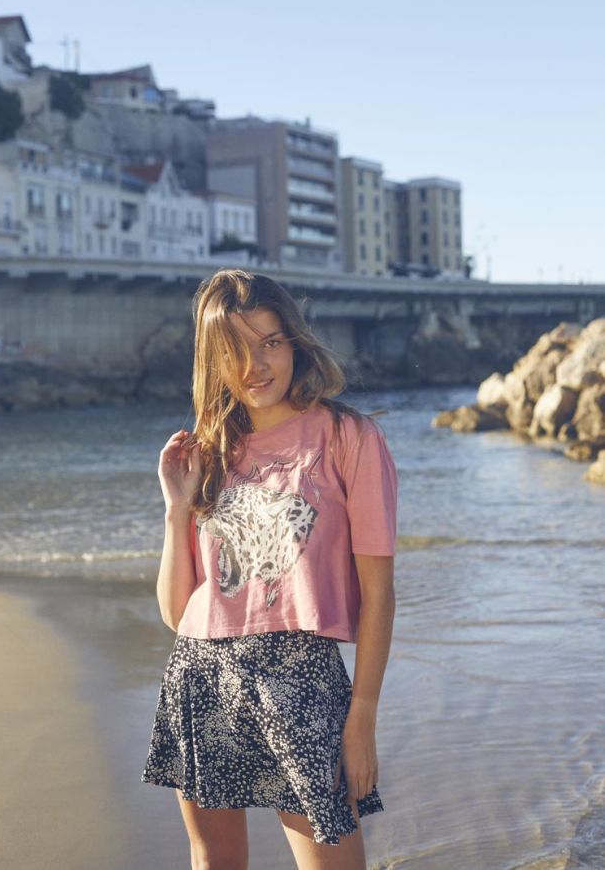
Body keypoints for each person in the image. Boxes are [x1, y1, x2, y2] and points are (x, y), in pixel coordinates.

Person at [141, 268, 398, 870]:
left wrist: (361, 715)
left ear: (294, 342)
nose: (256, 364)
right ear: (213, 360)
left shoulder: (348, 437)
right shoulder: (210, 450)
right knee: (215, 862)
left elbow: (379, 595)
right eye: (235, 349)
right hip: (202, 670)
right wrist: (177, 509)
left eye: (271, 342)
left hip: (302, 675)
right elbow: (179, 613)